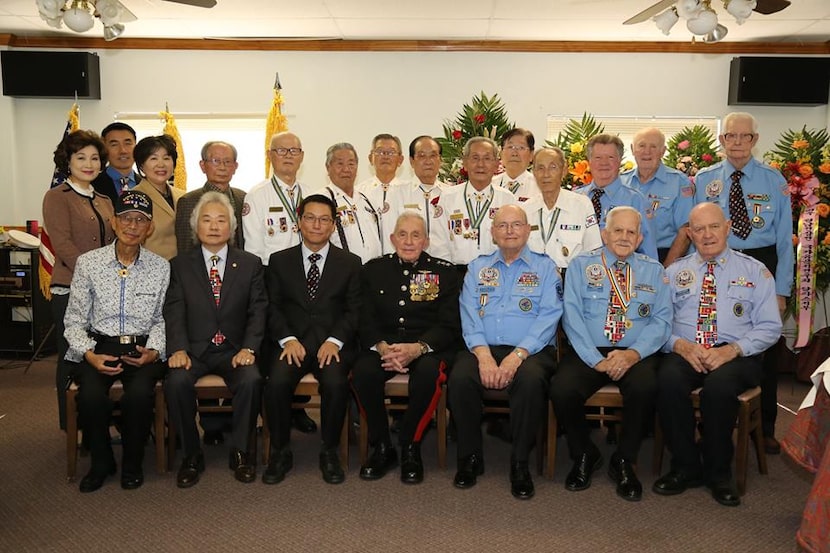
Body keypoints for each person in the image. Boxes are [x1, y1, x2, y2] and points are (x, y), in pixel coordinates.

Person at [654, 203, 782, 507]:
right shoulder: (675, 272)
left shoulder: (755, 271)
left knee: (719, 388)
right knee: (667, 380)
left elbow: (770, 327)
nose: (707, 234)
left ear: (727, 228)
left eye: (713, 227)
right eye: (698, 229)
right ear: (690, 233)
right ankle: (686, 467)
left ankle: (718, 472)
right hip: (688, 350)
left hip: (737, 354)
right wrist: (679, 345)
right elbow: (658, 324)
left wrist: (732, 350)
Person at [551, 206, 671, 501]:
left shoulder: (654, 271)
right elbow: (572, 314)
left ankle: (624, 459)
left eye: (631, 232)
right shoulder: (581, 266)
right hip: (589, 350)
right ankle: (584, 453)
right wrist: (596, 359)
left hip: (635, 352)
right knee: (561, 388)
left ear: (640, 238)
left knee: (645, 387)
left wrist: (632, 354)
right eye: (618, 230)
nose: (624, 236)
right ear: (605, 233)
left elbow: (662, 320)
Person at [694, 112, 793, 455]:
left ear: (755, 139)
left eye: (743, 137)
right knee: (710, 336)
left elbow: (784, 240)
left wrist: (782, 290)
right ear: (721, 141)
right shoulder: (705, 180)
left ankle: (763, 428)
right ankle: (709, 421)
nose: (736, 143)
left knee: (762, 352)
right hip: (714, 263)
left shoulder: (773, 180)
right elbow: (696, 229)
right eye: (729, 137)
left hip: (761, 263)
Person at [449, 204, 562, 499]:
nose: (510, 231)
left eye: (516, 225)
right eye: (502, 225)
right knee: (460, 378)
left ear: (527, 230)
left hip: (531, 350)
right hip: (482, 346)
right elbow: (468, 312)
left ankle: (520, 462)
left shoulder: (546, 267)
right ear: (493, 232)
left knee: (530, 381)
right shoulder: (478, 267)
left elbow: (550, 315)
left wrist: (518, 355)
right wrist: (483, 355)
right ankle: (470, 457)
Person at [63, 190, 169, 492]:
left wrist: (155, 351)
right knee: (91, 398)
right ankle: (102, 461)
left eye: (140, 220)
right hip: (99, 347)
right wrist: (89, 354)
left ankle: (133, 464)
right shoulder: (88, 263)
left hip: (141, 347)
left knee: (138, 397)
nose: (132, 226)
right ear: (113, 221)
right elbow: (73, 320)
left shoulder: (161, 267)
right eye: (126, 218)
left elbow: (162, 318)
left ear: (149, 227)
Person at [164, 192, 266, 488]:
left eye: (221, 220)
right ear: (196, 227)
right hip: (194, 350)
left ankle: (241, 452)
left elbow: (258, 310)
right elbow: (174, 310)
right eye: (206, 220)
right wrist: (179, 348)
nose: (213, 226)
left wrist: (249, 348)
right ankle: (192, 455)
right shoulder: (180, 265)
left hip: (235, 349)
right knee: (176, 382)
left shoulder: (249, 263)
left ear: (232, 228)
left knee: (251, 380)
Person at [351, 212, 461, 484]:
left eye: (415, 235)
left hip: (426, 347)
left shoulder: (445, 272)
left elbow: (449, 324)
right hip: (385, 346)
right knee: (362, 373)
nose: (409, 241)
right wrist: (382, 347)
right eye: (402, 234)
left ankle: (410, 445)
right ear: (392, 239)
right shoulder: (373, 270)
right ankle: (382, 446)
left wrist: (418, 348)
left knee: (428, 375)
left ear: (425, 240)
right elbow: (363, 316)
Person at [263, 194, 362, 485]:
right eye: (310, 217)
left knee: (335, 382)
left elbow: (355, 310)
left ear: (333, 225)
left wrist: (335, 340)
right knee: (277, 382)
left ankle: (329, 450)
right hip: (292, 343)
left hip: (332, 344)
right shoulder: (279, 261)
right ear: (299, 221)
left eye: (324, 219)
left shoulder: (350, 263)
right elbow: (272, 306)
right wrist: (287, 339)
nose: (316, 225)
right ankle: (281, 451)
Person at [241, 131, 317, 436]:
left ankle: (299, 408)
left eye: (294, 150)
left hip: (310, 277)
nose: (288, 155)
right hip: (274, 278)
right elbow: (254, 248)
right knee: (280, 342)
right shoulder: (256, 195)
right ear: (270, 155)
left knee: (307, 337)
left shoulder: (313, 192)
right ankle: (276, 410)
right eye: (281, 150)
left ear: (301, 156)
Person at [43, 129, 116, 430]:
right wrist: (96, 279)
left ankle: (99, 420)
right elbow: (63, 246)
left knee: (99, 355)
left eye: (94, 158)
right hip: (71, 289)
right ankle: (71, 425)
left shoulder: (103, 199)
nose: (89, 163)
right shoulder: (57, 197)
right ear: (67, 161)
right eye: (81, 157)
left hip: (106, 291)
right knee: (72, 355)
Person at [430, 137, 516, 270]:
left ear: (496, 164)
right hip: (456, 273)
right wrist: (448, 272)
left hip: (497, 272)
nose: (480, 164)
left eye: (487, 158)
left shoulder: (507, 199)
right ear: (465, 162)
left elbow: (514, 241)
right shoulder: (448, 197)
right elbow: (438, 242)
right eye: (475, 158)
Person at [575, 134, 658, 260]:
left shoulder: (636, 200)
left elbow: (648, 252)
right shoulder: (575, 198)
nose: (604, 163)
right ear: (589, 161)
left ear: (619, 161)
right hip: (578, 273)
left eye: (610, 157)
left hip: (621, 275)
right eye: (598, 157)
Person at [621, 127, 694, 266]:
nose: (646, 152)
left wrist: (665, 270)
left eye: (653, 146)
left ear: (663, 151)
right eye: (641, 145)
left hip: (665, 257)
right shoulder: (621, 182)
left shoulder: (679, 182)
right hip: (625, 258)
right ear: (632, 149)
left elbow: (685, 230)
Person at [526, 146, 602, 271]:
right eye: (540, 168)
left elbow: (593, 251)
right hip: (534, 280)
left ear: (564, 170)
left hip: (571, 278)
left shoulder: (582, 205)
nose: (546, 174)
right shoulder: (526, 209)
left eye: (553, 167)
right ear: (533, 172)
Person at [175, 141, 246, 253]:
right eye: (216, 161)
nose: (222, 167)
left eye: (227, 162)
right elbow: (185, 247)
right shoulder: (188, 201)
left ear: (235, 166)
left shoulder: (243, 197)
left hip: (240, 265)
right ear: (203, 166)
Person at [323, 142, 383, 264]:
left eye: (351, 164)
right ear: (328, 167)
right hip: (340, 274)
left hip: (372, 274)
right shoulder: (322, 200)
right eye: (340, 164)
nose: (346, 169)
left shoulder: (367, 200)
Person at [384, 135, 447, 251]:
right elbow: (389, 235)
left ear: (440, 160)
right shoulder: (396, 193)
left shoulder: (450, 193)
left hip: (443, 264)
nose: (428, 161)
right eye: (422, 156)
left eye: (433, 155)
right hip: (408, 264)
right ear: (412, 161)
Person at [133, 134, 184, 260]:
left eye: (166, 158)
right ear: (141, 166)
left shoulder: (183, 196)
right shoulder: (135, 198)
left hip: (183, 271)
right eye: (153, 158)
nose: (161, 164)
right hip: (150, 271)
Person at [358, 134, 406, 253]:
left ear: (400, 160)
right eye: (379, 152)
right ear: (370, 158)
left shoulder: (409, 191)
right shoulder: (358, 193)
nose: (385, 156)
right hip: (369, 264)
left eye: (391, 152)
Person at [91, 122, 138, 205]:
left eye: (128, 143)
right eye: (114, 145)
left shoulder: (148, 185)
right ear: (104, 148)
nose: (123, 150)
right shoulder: (91, 185)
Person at [491, 128, 540, 203]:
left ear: (531, 154)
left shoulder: (540, 187)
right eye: (510, 147)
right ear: (501, 153)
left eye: (521, 148)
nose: (514, 153)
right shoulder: (490, 185)